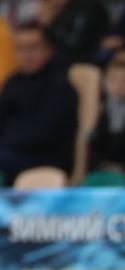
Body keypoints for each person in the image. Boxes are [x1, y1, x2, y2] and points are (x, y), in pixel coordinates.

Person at [0, 23, 78, 183]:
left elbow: (44, 133)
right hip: (10, 153)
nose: (26, 54)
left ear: (49, 49)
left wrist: (6, 143)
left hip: (45, 160)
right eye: (20, 48)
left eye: (33, 48)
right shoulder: (13, 82)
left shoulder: (60, 85)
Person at [89, 58, 125, 174]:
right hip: (106, 164)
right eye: (114, 81)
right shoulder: (103, 108)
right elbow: (97, 142)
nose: (120, 86)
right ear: (105, 83)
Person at [40, 0, 110, 65]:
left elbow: (75, 43)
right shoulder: (54, 10)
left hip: (84, 61)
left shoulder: (90, 8)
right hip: (57, 59)